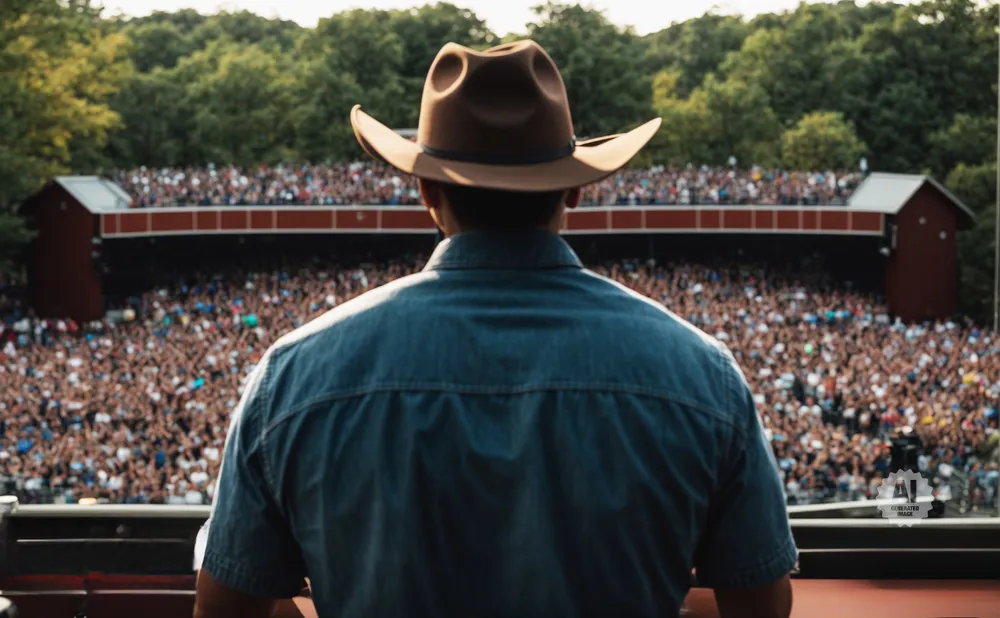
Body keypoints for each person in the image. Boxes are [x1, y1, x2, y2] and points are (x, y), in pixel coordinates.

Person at [193, 39, 797, 618]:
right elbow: (762, 605)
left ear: (427, 192)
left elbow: (223, 607)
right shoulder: (702, 374)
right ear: (577, 190)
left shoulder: (292, 375)